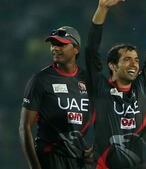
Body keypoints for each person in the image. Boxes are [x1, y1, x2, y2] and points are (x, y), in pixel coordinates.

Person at [85, 0, 146, 169]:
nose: (134, 63)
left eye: (136, 60)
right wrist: (102, 9)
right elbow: (91, 50)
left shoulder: (142, 87)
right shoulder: (100, 88)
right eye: (127, 59)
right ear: (112, 66)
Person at [19, 26, 94, 169]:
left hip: (79, 160)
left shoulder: (88, 80)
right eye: (53, 44)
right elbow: (24, 127)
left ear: (76, 48)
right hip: (50, 158)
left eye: (61, 44)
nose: (55, 48)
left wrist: (98, 147)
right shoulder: (40, 80)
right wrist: (35, 167)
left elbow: (106, 115)